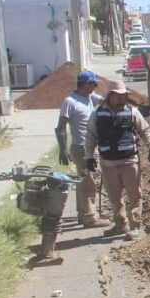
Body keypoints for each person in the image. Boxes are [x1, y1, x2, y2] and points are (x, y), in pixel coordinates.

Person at [85, 80, 150, 240]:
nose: (124, 98)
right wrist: (89, 157)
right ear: (111, 96)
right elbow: (90, 135)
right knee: (114, 197)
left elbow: (144, 130)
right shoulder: (97, 114)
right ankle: (120, 225)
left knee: (135, 196)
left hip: (130, 162)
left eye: (125, 95)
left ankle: (135, 226)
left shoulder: (132, 112)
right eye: (120, 95)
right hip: (108, 164)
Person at [56, 69, 110, 227]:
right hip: (81, 147)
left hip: (90, 145)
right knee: (88, 182)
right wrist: (62, 149)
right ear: (85, 84)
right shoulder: (70, 102)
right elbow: (61, 127)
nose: (95, 87)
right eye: (93, 84)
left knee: (84, 180)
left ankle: (83, 214)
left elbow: (106, 101)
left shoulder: (90, 98)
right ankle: (90, 218)